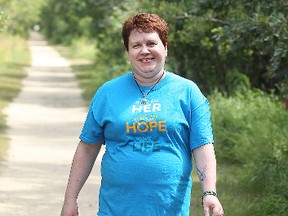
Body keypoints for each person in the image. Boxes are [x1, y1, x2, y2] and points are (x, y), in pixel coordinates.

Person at [61, 12, 224, 216]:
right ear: (128, 52)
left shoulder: (188, 92)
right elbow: (87, 148)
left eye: (151, 43)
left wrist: (209, 192)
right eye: (136, 45)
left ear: (165, 48)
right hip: (115, 210)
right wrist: (70, 199)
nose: (144, 51)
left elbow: (202, 147)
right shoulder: (107, 93)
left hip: (170, 210)